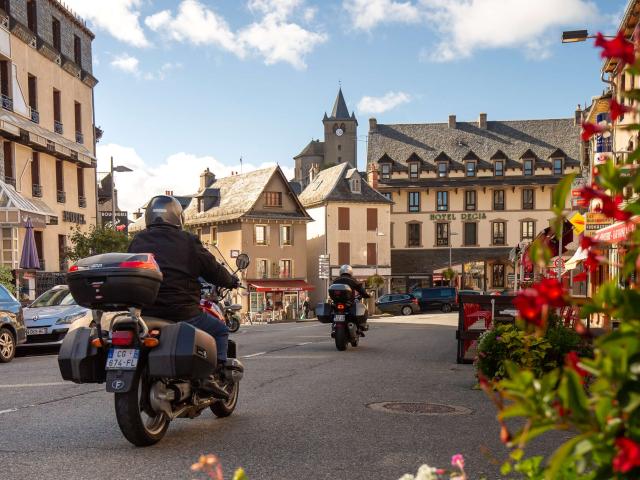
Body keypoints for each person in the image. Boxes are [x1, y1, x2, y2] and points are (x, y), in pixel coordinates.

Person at [128, 195, 239, 373]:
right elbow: (212, 269)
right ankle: (216, 375)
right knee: (220, 330)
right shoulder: (187, 240)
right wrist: (231, 280)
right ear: (178, 216)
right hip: (181, 311)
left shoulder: (137, 240)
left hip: (146, 312)